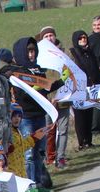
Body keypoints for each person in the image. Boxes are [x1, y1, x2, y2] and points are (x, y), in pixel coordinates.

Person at [1, 36, 58, 192]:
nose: (31, 54)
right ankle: (29, 186)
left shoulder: (38, 70)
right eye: (28, 51)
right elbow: (23, 93)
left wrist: (62, 81)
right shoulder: (17, 71)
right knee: (28, 154)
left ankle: (39, 183)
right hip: (25, 117)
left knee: (39, 152)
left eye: (33, 51)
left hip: (40, 115)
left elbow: (46, 89)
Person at [36, 27, 71, 169]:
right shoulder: (39, 57)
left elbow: (70, 75)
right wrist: (49, 96)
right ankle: (48, 157)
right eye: (46, 36)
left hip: (63, 97)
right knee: (47, 130)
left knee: (63, 129)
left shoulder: (64, 54)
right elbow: (40, 80)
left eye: (52, 35)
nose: (50, 38)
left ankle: (61, 157)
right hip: (46, 100)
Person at [70, 30, 100, 150]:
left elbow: (94, 68)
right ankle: (81, 142)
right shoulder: (73, 54)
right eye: (80, 38)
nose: (83, 40)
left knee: (89, 115)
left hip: (90, 88)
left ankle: (89, 141)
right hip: (77, 89)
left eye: (84, 37)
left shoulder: (89, 52)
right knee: (80, 117)